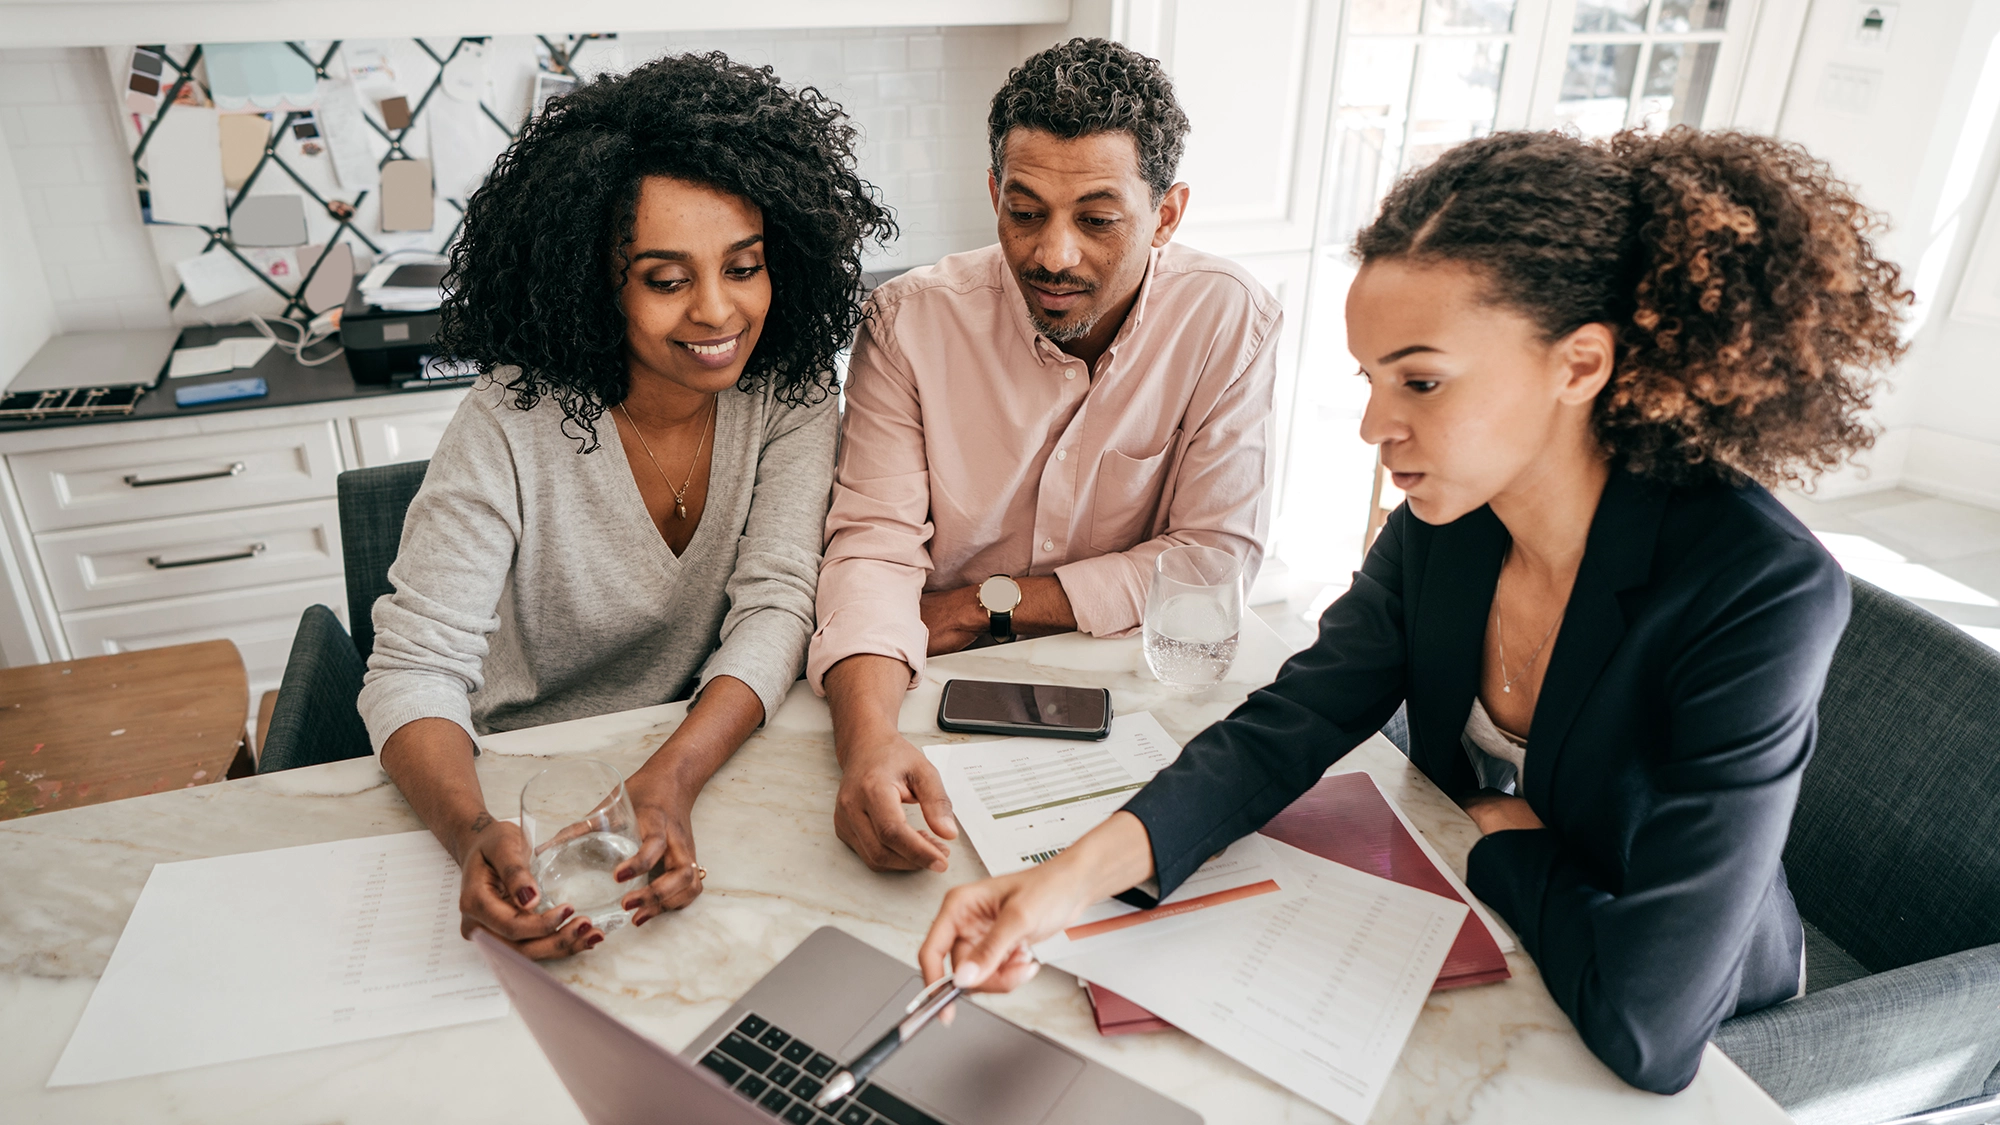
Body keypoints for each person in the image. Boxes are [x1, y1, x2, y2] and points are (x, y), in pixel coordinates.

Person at [915, 127, 1912, 1093]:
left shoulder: (1755, 589)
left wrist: (1502, 844)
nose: (1373, 426)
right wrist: (1060, 883)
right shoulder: (1451, 520)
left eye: (1421, 381)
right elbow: (1290, 723)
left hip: (1693, 1022)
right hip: (1492, 939)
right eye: (1372, 378)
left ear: (1578, 365)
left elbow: (1651, 1025)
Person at [358, 53, 892, 960]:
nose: (718, 312)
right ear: (595, 280)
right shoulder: (511, 417)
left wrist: (672, 777)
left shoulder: (791, 390)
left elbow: (778, 603)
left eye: (744, 266)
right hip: (516, 776)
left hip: (705, 752)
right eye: (666, 279)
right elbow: (412, 667)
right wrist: (470, 830)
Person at [810, 38, 1281, 875]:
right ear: (995, 193)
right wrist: (869, 742)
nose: (1053, 255)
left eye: (1097, 221)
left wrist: (981, 605)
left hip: (1134, 698)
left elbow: (1212, 563)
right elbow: (872, 552)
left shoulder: (1227, 319)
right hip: (925, 685)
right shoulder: (908, 323)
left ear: (1166, 216)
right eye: (1025, 213)